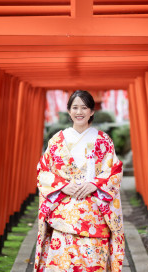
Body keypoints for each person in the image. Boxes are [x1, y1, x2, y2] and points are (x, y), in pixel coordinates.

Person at [34, 90, 125, 272]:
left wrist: (95, 184)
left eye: (84, 107)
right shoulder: (57, 140)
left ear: (92, 111)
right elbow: (43, 171)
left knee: (93, 264)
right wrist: (62, 186)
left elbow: (114, 171)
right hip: (64, 217)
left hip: (94, 215)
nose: (79, 112)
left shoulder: (103, 141)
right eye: (75, 107)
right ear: (68, 111)